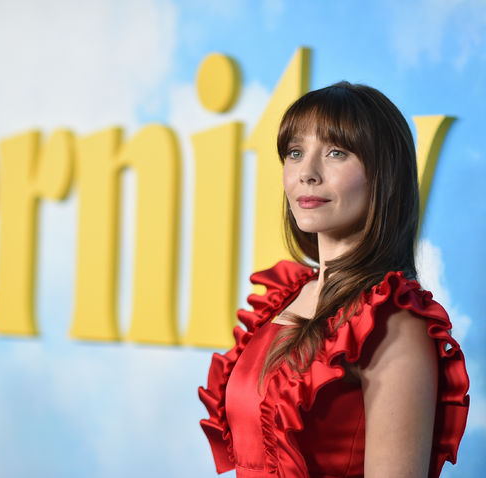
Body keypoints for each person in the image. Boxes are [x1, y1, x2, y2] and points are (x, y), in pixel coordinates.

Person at [198, 82, 469, 478]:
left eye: (336, 152)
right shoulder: (285, 297)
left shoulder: (392, 321)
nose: (307, 173)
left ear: (383, 175)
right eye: (295, 152)